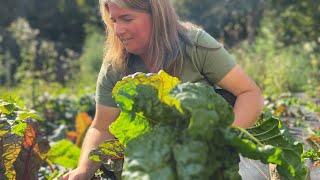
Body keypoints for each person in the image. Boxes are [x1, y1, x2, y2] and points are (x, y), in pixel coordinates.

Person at [63, 0, 264, 179]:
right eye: (114, 20)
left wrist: (222, 141)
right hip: (148, 170)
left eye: (126, 18)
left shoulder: (195, 45)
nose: (118, 30)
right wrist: (83, 171)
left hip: (203, 166)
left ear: (157, 16)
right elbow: (102, 127)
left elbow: (250, 94)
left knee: (225, 100)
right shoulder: (115, 66)